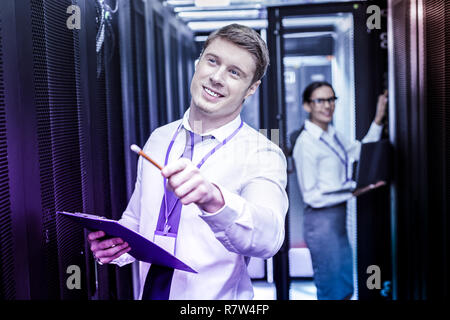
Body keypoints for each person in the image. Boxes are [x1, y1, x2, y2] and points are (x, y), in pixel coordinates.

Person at [87, 24, 288, 300]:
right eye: (212, 61)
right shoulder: (159, 138)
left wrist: (214, 199)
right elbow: (137, 220)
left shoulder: (261, 152)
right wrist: (116, 247)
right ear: (199, 62)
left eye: (234, 72)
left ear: (251, 89)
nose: (217, 77)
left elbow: (269, 238)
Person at [292, 81, 388, 300]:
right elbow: (311, 195)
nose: (328, 106)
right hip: (321, 222)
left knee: (343, 285)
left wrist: (378, 118)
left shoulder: (332, 135)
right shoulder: (306, 144)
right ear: (308, 106)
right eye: (320, 101)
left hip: (337, 220)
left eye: (331, 99)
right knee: (331, 288)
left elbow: (360, 152)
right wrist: (353, 191)